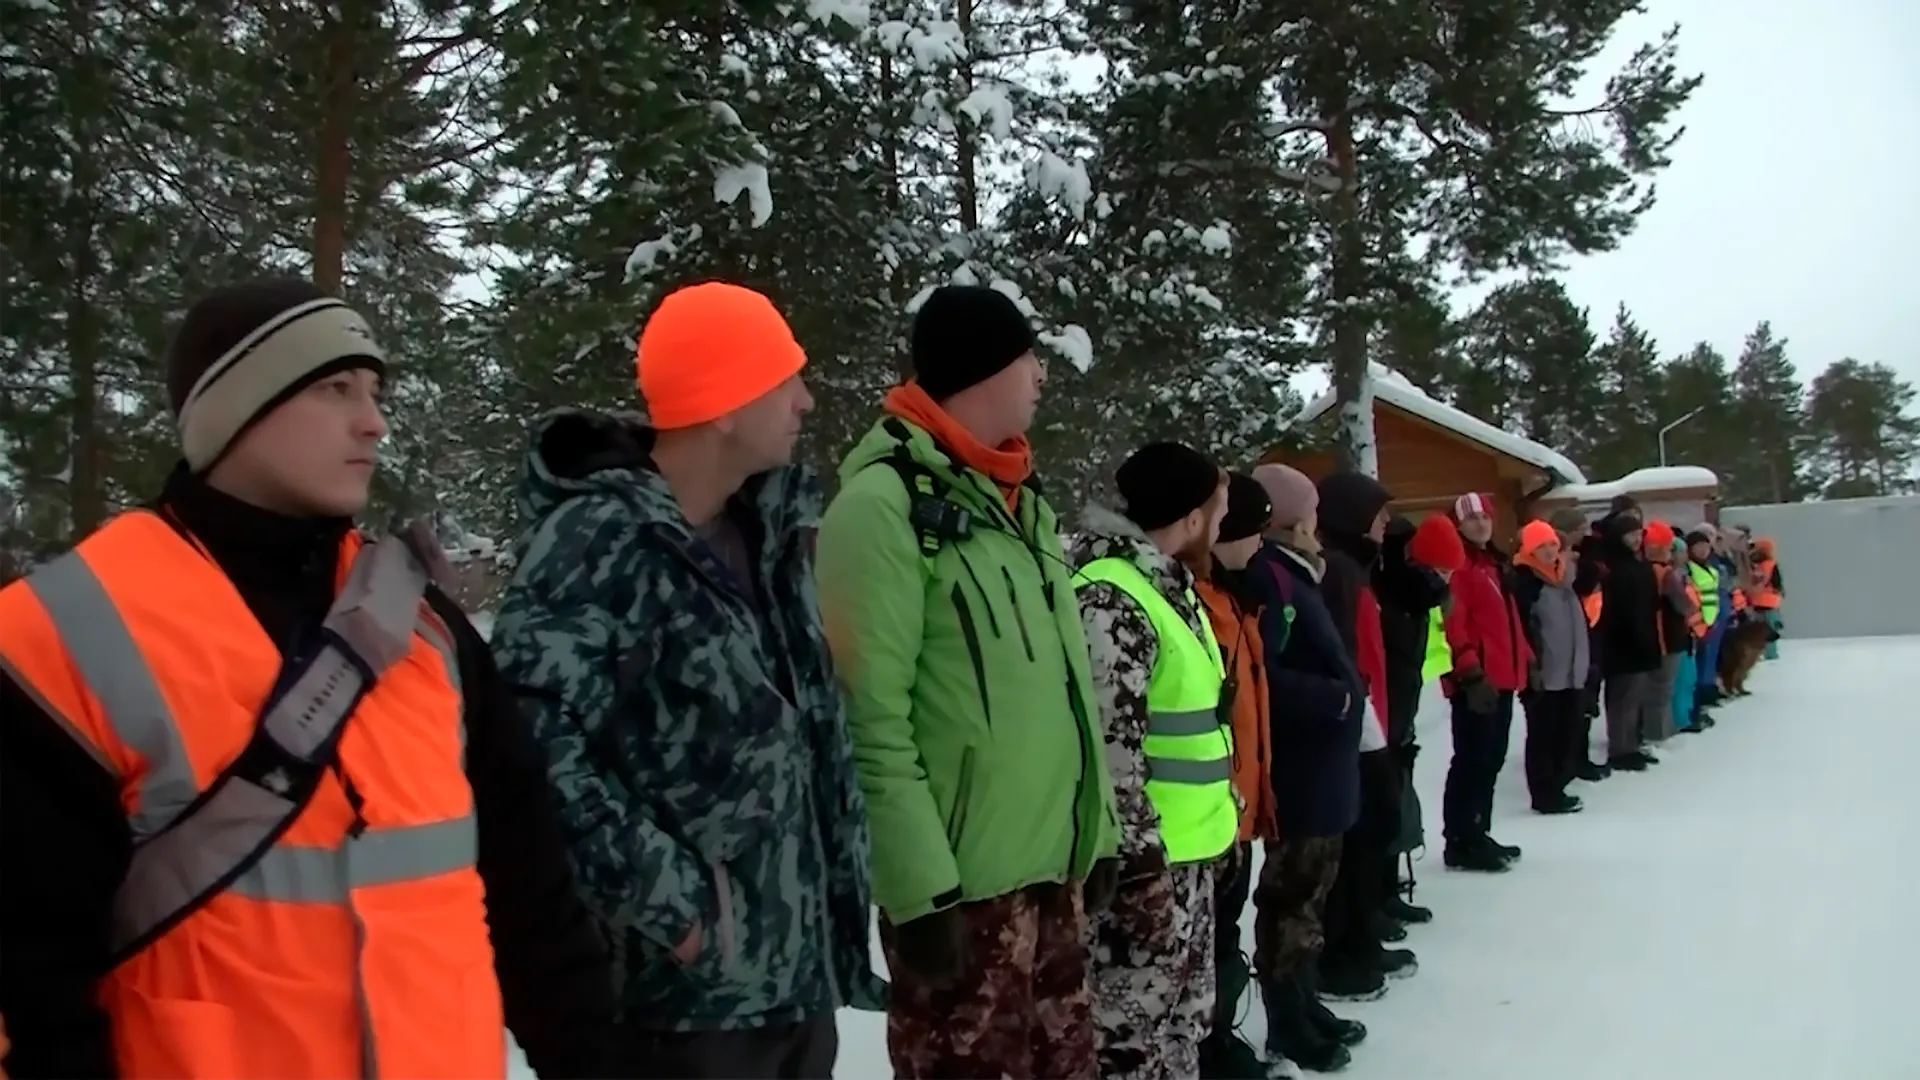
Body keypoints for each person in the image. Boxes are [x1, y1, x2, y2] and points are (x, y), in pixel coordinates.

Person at [0, 279, 617, 1078]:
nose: (374, 421)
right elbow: (29, 979)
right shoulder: (62, 634)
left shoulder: (427, 633)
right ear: (236, 411)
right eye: (334, 389)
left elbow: (537, 908)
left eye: (374, 391)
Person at [489, 282, 885, 1078]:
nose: (806, 400)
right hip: (681, 1012)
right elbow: (531, 752)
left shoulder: (768, 535)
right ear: (725, 403)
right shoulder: (597, 543)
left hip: (794, 985)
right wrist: (678, 911)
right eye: (786, 379)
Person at [815, 284, 1119, 1080]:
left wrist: (1102, 828)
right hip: (962, 899)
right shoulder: (881, 509)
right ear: (985, 370)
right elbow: (868, 716)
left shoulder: (1022, 504)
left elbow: (1068, 692)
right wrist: (918, 892)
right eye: (1030, 359)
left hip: (1054, 876)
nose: (1042, 377)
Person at [1069, 443, 1236, 1080]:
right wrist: (1139, 878)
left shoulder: (1169, 587)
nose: (1220, 527)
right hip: (1141, 874)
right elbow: (1115, 754)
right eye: (1217, 512)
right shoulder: (1113, 599)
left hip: (1187, 859)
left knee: (1181, 1026)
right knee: (1127, 1043)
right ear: (1193, 518)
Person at [1246, 465, 1366, 1074]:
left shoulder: (1297, 572)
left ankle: (1306, 1002)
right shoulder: (1271, 576)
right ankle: (1287, 1023)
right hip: (1301, 769)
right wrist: (1335, 698)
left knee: (1311, 898)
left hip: (1325, 766)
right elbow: (1262, 670)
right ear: (1291, 517)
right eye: (1311, 508)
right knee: (1292, 900)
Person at [1193, 472, 1280, 1080]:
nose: (1259, 545)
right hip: (1205, 810)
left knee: (1225, 933)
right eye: (1250, 531)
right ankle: (1208, 1051)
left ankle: (1220, 1041)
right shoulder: (1198, 600)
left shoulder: (1237, 596)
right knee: (1206, 941)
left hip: (1238, 804)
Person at [1374, 512, 1464, 929]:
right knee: (1382, 807)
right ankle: (1375, 898)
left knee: (1396, 803)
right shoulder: (1395, 595)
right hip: (1382, 714)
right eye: (1440, 570)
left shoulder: (1416, 599)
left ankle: (1388, 888)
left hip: (1400, 710)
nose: (1445, 580)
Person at [1440, 493, 1532, 872]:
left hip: (1503, 676)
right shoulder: (1459, 566)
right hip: (1477, 682)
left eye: (1484, 517)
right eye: (1471, 518)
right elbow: (1453, 622)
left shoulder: (1492, 563)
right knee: (1472, 760)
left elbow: (1507, 620)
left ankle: (1479, 830)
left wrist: (1527, 659)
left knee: (1491, 759)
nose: (1480, 524)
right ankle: (1461, 838)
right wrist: (1469, 671)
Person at [1511, 520, 1590, 815]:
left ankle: (1558, 785)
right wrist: (1532, 667)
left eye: (1552, 545)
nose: (1548, 551)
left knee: (1565, 733)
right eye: (1540, 546)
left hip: (1570, 670)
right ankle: (1544, 793)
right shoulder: (1526, 582)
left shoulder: (1565, 579)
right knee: (1543, 735)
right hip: (1544, 673)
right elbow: (1524, 628)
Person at [1596, 511, 1664, 772]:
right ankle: (1620, 749)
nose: (1636, 539)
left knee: (1636, 696)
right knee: (1622, 698)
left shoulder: (1639, 564)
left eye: (1639, 534)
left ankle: (1631, 744)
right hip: (1621, 641)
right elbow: (1617, 608)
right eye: (1630, 534)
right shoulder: (1613, 567)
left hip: (1642, 637)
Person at [1549, 507, 1608, 781]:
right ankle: (1571, 760)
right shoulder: (1565, 562)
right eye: (1580, 527)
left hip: (1588, 635)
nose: (1586, 532)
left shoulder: (1583, 556)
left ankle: (1577, 757)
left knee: (1584, 704)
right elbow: (1585, 582)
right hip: (1574, 639)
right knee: (1575, 707)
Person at [1751, 537, 1784, 659]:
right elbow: (1777, 582)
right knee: (1771, 629)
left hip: (1755, 600)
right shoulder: (1772, 565)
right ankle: (1771, 653)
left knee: (1757, 630)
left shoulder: (1753, 565)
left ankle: (1758, 653)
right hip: (1770, 602)